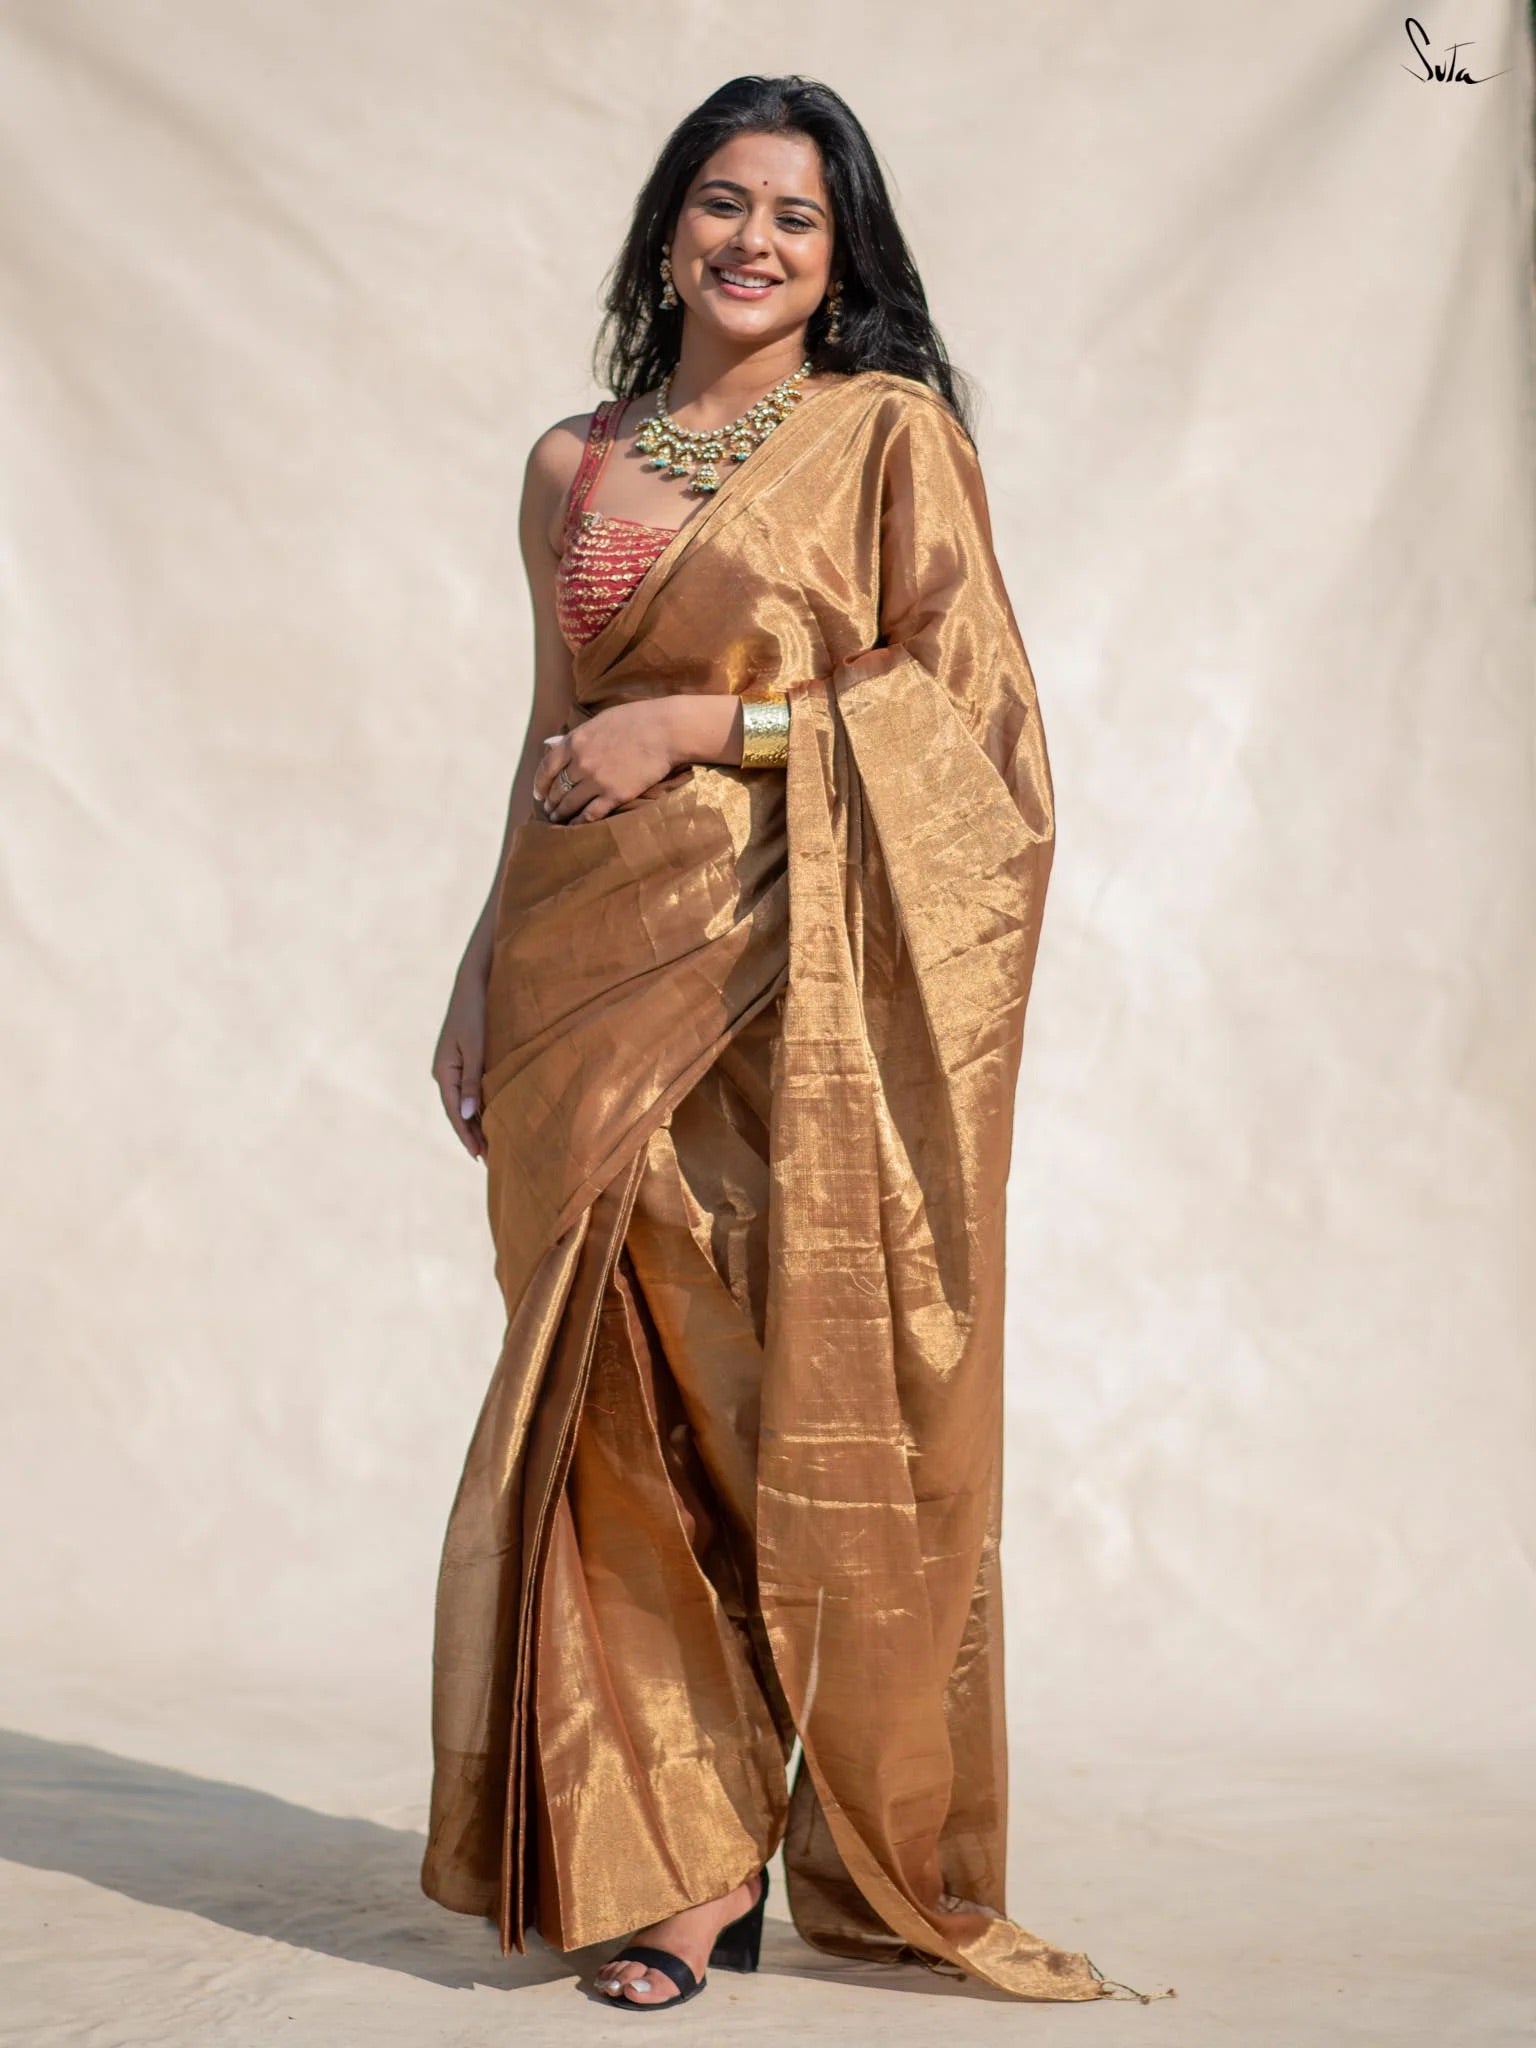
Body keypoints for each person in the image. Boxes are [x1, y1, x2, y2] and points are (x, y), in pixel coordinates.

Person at [421, 73, 1119, 2011]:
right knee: (610, 1421)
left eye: (796, 216)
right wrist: (483, 962)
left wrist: (702, 731)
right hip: (579, 983)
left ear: (843, 255)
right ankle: (684, 1858)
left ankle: (785, 1823)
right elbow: (545, 730)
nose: (753, 240)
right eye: (721, 202)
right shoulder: (573, 464)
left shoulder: (884, 439)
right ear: (668, 228)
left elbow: (969, 724)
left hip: (782, 988)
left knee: (757, 1406)